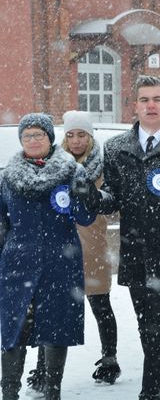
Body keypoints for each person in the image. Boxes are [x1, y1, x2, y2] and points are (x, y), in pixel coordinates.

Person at [74, 75, 160, 400]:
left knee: (159, 323)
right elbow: (113, 198)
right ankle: (155, 384)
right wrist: (91, 197)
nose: (150, 105)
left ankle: (153, 389)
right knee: (146, 324)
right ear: (135, 106)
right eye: (144, 100)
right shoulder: (116, 148)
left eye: (156, 99)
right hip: (135, 252)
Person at [25, 111, 123, 395]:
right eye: (71, 135)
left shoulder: (102, 169)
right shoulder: (54, 166)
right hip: (59, 250)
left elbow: (111, 203)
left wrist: (92, 196)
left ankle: (109, 358)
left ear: (90, 137)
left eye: (82, 135)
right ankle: (43, 365)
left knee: (101, 305)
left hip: (92, 246)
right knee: (51, 310)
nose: (76, 140)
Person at [0, 113, 95, 400]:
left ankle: (53, 391)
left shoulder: (72, 172)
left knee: (56, 327)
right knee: (14, 328)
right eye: (27, 135)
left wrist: (83, 194)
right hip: (17, 264)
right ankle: (9, 393)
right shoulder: (6, 177)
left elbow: (86, 218)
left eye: (38, 134)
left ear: (50, 138)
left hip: (60, 262)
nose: (32, 140)